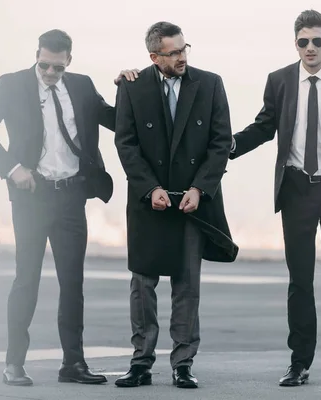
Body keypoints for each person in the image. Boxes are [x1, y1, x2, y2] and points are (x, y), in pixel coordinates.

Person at [0, 29, 134, 386]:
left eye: (57, 68)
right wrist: (12, 169)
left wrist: (128, 86)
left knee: (73, 283)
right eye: (44, 66)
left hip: (71, 197)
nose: (50, 74)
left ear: (69, 61)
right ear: (37, 56)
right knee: (26, 279)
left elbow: (118, 121)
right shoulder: (12, 85)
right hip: (31, 198)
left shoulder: (83, 86)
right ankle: (14, 364)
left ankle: (73, 364)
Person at [230, 9, 321, 388]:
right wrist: (228, 145)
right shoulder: (279, 80)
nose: (310, 48)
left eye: (317, 41)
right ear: (296, 44)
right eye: (303, 42)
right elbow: (264, 125)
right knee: (299, 281)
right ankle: (300, 363)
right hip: (295, 190)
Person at [113, 21, 237, 389]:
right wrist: (149, 188)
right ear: (154, 56)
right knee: (142, 284)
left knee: (187, 285)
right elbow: (126, 143)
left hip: (191, 202)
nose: (182, 57)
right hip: (147, 201)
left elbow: (220, 142)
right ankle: (141, 362)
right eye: (174, 52)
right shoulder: (132, 88)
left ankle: (183, 363)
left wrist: (201, 189)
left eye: (185, 49)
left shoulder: (210, 83)